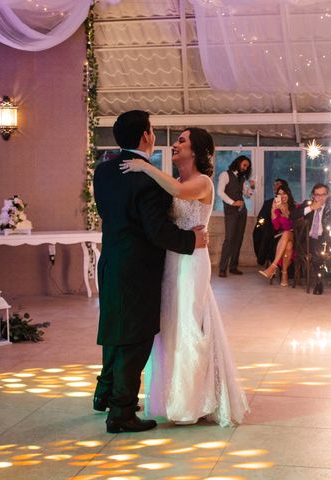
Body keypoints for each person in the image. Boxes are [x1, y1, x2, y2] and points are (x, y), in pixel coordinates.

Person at [120, 127, 250, 427]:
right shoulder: (176, 179)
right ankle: (174, 397)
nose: (175, 145)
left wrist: (144, 165)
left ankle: (193, 402)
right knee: (171, 324)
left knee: (190, 323)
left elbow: (179, 194)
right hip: (172, 259)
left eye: (182, 141)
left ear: (197, 151)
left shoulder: (201, 182)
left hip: (192, 261)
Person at [92, 111, 208, 434]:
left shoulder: (102, 173)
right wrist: (191, 239)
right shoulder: (147, 179)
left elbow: (111, 214)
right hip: (138, 269)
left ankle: (105, 393)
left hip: (111, 261)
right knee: (136, 337)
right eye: (153, 129)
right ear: (145, 136)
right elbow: (157, 231)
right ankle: (121, 411)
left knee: (114, 327)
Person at [291, 183, 331, 295]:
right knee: (317, 248)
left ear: (328, 195)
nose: (320, 198)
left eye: (323, 195)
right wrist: (311, 208)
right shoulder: (307, 204)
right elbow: (292, 216)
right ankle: (319, 282)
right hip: (308, 242)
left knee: (330, 247)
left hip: (326, 240)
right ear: (313, 195)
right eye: (317, 195)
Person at [217, 155, 254, 277]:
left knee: (239, 239)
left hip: (242, 211)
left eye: (247, 166)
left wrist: (251, 188)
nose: (245, 168)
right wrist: (233, 202)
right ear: (238, 163)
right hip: (230, 211)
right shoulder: (225, 175)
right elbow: (220, 192)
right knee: (229, 239)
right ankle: (222, 268)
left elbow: (247, 195)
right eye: (244, 165)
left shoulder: (242, 178)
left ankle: (233, 266)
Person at [258, 184, 296, 286]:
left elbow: (296, 223)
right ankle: (284, 274)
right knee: (288, 245)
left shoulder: (295, 207)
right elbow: (276, 227)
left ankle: (272, 267)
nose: (282, 196)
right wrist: (273, 211)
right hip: (281, 238)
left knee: (288, 232)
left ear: (288, 194)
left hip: (295, 235)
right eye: (279, 194)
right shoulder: (276, 209)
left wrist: (285, 211)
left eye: (284, 193)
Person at [253, 178, 289, 266]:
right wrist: (260, 224)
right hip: (268, 226)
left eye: (278, 184)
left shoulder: (289, 202)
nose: (275, 186)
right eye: (274, 184)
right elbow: (262, 217)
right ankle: (262, 257)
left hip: (283, 229)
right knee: (258, 230)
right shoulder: (268, 203)